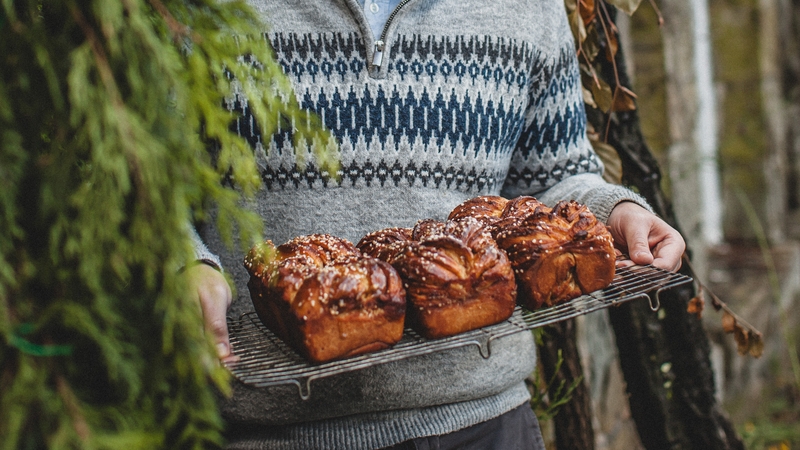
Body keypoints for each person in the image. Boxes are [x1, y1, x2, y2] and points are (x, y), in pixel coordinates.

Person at [185, 0, 686, 448]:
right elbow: (139, 186)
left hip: (484, 422)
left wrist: (613, 213)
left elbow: (553, 175)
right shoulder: (188, 11)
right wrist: (185, 262)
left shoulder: (528, 8)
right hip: (266, 429)